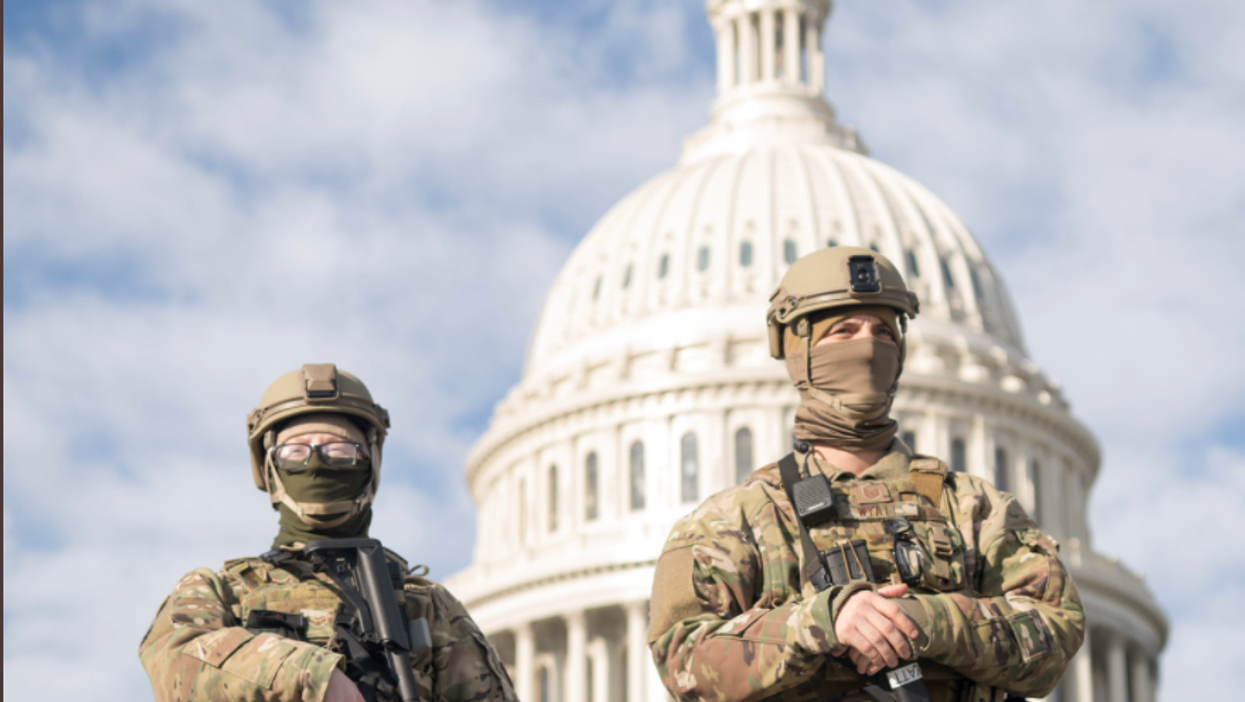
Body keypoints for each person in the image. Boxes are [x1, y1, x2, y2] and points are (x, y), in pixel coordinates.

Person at [647, 248, 1085, 702]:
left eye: (884, 332)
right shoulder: (733, 519)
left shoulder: (973, 507)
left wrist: (931, 621)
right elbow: (684, 662)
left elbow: (1056, 631)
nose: (869, 347)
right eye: (844, 331)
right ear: (801, 353)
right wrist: (822, 621)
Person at [139, 364, 516, 702]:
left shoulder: (427, 606)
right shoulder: (221, 590)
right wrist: (312, 675)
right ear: (270, 471)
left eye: (339, 449)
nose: (317, 462)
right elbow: (177, 661)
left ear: (370, 464)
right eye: (295, 452)